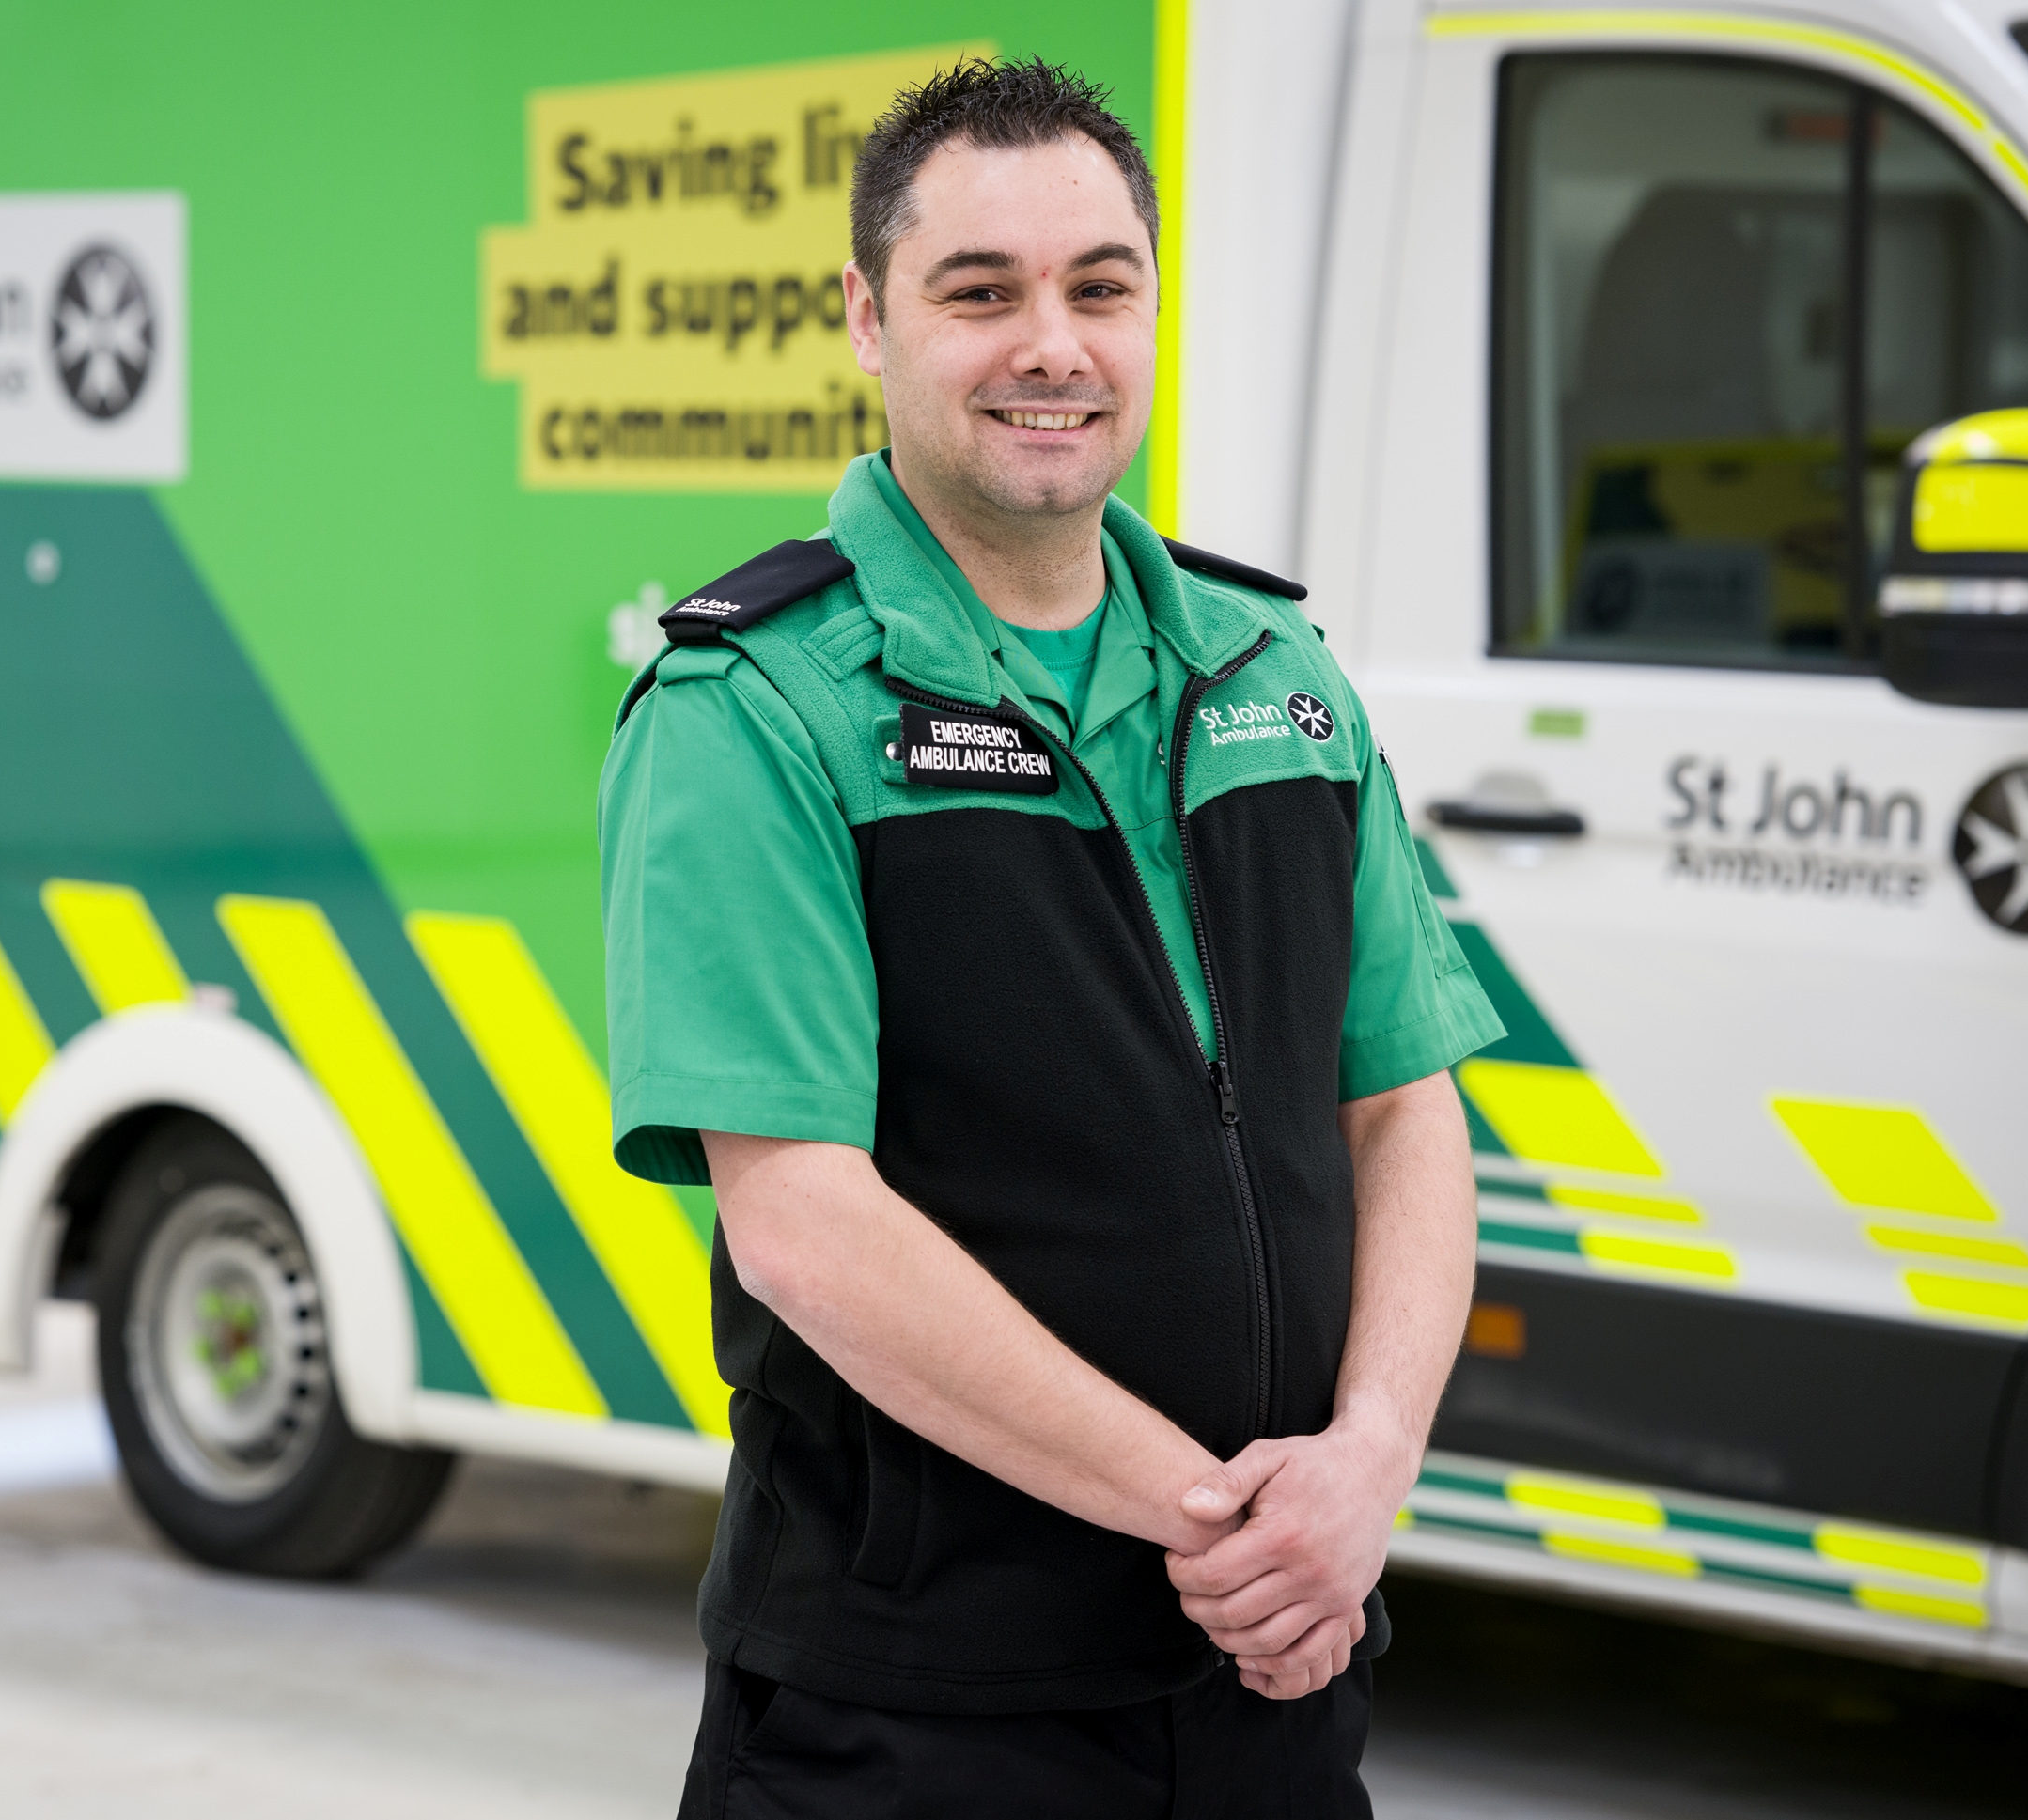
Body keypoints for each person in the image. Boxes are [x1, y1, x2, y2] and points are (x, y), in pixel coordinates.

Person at [599, 56, 1502, 1818]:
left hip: (1273, 1696)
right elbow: (804, 1225)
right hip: (917, 1717)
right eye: (980, 291)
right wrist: (1225, 1523)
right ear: (866, 318)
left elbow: (1402, 1109)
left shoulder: (1279, 683)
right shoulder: (757, 708)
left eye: (1100, 286)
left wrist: (1367, 1473)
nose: (1053, 345)